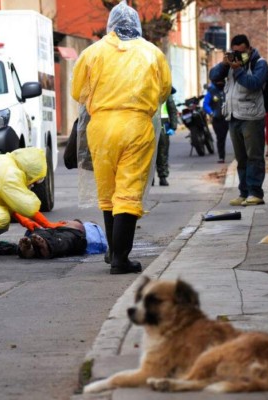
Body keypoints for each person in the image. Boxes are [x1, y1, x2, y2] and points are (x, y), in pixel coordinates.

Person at [71, 1, 171, 274]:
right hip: (136, 126)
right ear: (137, 24)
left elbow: (77, 91)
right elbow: (164, 91)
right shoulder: (153, 53)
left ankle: (112, 252)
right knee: (128, 191)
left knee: (109, 191)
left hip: (101, 128)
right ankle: (120, 258)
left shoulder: (92, 53)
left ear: (111, 25)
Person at [209, 34, 268, 207]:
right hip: (233, 116)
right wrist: (224, 64)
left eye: (242, 53)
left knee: (254, 157)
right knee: (241, 158)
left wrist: (237, 70)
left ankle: (255, 193)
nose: (239, 56)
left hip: (252, 117)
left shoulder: (260, 63)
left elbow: (254, 83)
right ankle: (244, 193)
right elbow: (213, 76)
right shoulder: (231, 64)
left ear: (249, 49)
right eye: (235, 53)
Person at [0, 219, 108, 259]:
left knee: (61, 240)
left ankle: (37, 247)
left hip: (66, 234)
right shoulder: (78, 227)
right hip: (51, 230)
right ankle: (33, 247)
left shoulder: (88, 228)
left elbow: (99, 245)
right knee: (39, 233)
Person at [155, 87, 178, 186]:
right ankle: (150, 178)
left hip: (163, 127)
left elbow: (172, 110)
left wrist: (173, 126)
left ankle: (162, 176)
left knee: (162, 152)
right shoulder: (146, 90)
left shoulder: (166, 93)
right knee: (148, 154)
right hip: (148, 126)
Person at [203, 78, 229, 163]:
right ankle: (221, 156)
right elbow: (205, 104)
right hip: (217, 119)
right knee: (220, 138)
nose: (220, 82)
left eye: (221, 80)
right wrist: (211, 113)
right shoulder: (211, 92)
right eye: (218, 80)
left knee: (236, 136)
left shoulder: (228, 90)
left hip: (229, 118)